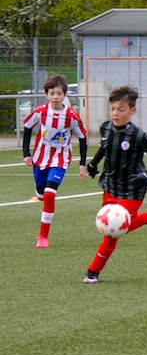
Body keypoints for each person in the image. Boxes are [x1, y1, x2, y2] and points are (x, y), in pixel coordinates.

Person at [83, 86, 147, 284]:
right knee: (112, 227)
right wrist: (94, 163)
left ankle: (93, 271)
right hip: (110, 185)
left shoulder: (138, 136)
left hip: (132, 189)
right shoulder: (106, 128)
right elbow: (104, 148)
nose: (115, 113)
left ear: (132, 111)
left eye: (121, 109)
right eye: (113, 109)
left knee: (112, 232)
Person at [21, 74, 88, 249]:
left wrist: (82, 163)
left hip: (60, 159)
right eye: (52, 93)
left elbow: (82, 138)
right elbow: (27, 128)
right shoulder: (41, 112)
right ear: (46, 95)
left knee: (50, 194)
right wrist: (26, 153)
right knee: (41, 193)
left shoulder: (71, 116)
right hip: (40, 158)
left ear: (65, 95)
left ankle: (43, 237)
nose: (55, 97)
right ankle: (39, 193)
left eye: (59, 93)